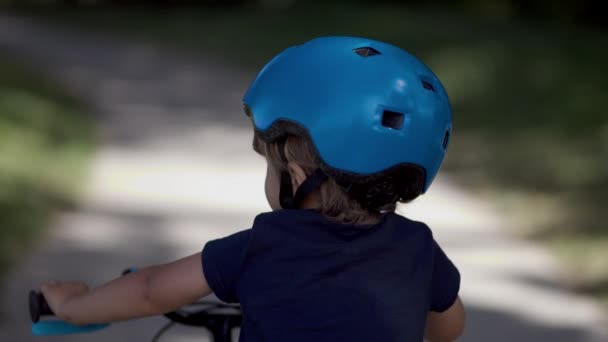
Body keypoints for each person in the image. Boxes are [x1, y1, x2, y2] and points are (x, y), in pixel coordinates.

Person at [40, 36, 465, 341]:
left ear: (297, 177)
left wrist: (71, 306)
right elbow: (448, 327)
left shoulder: (263, 246)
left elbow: (149, 290)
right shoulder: (419, 249)